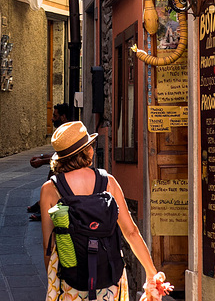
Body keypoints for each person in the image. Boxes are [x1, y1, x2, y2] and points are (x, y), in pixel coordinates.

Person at [40, 121, 166, 301]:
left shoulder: (50, 189)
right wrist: (151, 273)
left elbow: (49, 245)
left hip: (70, 279)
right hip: (109, 276)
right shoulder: (108, 182)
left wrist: (53, 282)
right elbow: (131, 232)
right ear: (87, 150)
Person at [27, 103, 71, 220]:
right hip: (66, 164)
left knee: (54, 171)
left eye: (55, 116)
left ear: (63, 117)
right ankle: (42, 202)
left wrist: (42, 161)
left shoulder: (67, 132)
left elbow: (63, 157)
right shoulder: (63, 131)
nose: (51, 119)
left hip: (70, 167)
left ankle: (46, 207)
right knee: (53, 168)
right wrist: (41, 157)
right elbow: (58, 154)